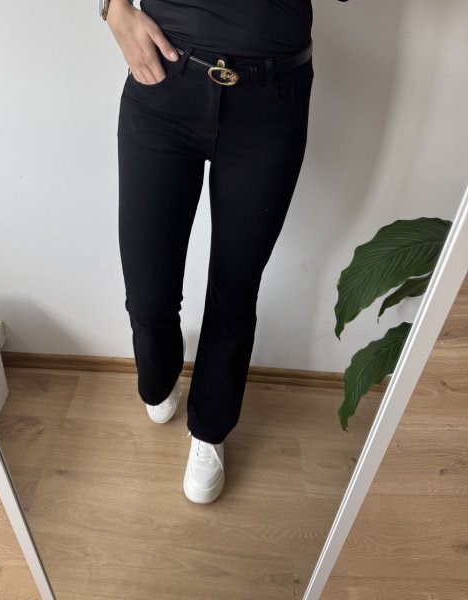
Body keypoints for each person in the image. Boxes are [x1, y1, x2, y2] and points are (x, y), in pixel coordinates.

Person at [102, 0, 343, 504]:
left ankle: (211, 427)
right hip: (164, 78)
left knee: (234, 288)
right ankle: (161, 373)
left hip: (271, 94)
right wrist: (113, 6)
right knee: (147, 290)